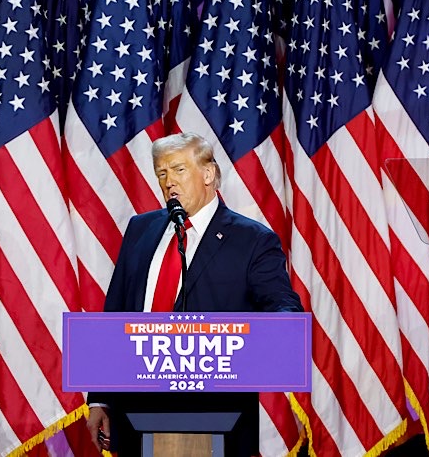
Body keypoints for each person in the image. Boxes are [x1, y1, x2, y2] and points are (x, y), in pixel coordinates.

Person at [86, 132, 303, 456]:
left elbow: (282, 304)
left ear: (208, 174)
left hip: (215, 414)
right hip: (135, 410)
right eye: (162, 172)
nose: (168, 181)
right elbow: (116, 311)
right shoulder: (140, 229)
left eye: (178, 170)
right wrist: (101, 397)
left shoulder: (251, 239)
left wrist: (281, 327)